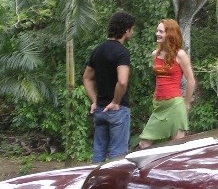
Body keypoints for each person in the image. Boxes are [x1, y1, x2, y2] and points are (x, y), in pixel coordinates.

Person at [83, 11, 136, 163]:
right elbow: (122, 81)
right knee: (117, 156)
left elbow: (87, 78)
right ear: (126, 30)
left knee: (98, 153)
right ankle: (114, 186)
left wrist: (94, 101)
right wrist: (116, 101)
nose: (132, 32)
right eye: (132, 29)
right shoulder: (122, 52)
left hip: (100, 109)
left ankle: (94, 184)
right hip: (117, 111)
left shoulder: (97, 50)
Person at [138, 19, 196, 148]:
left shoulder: (180, 54)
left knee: (176, 147)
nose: (157, 33)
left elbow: (191, 80)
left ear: (170, 34)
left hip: (175, 104)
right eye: (157, 30)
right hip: (159, 105)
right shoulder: (155, 54)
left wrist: (186, 103)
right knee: (144, 144)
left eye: (161, 31)